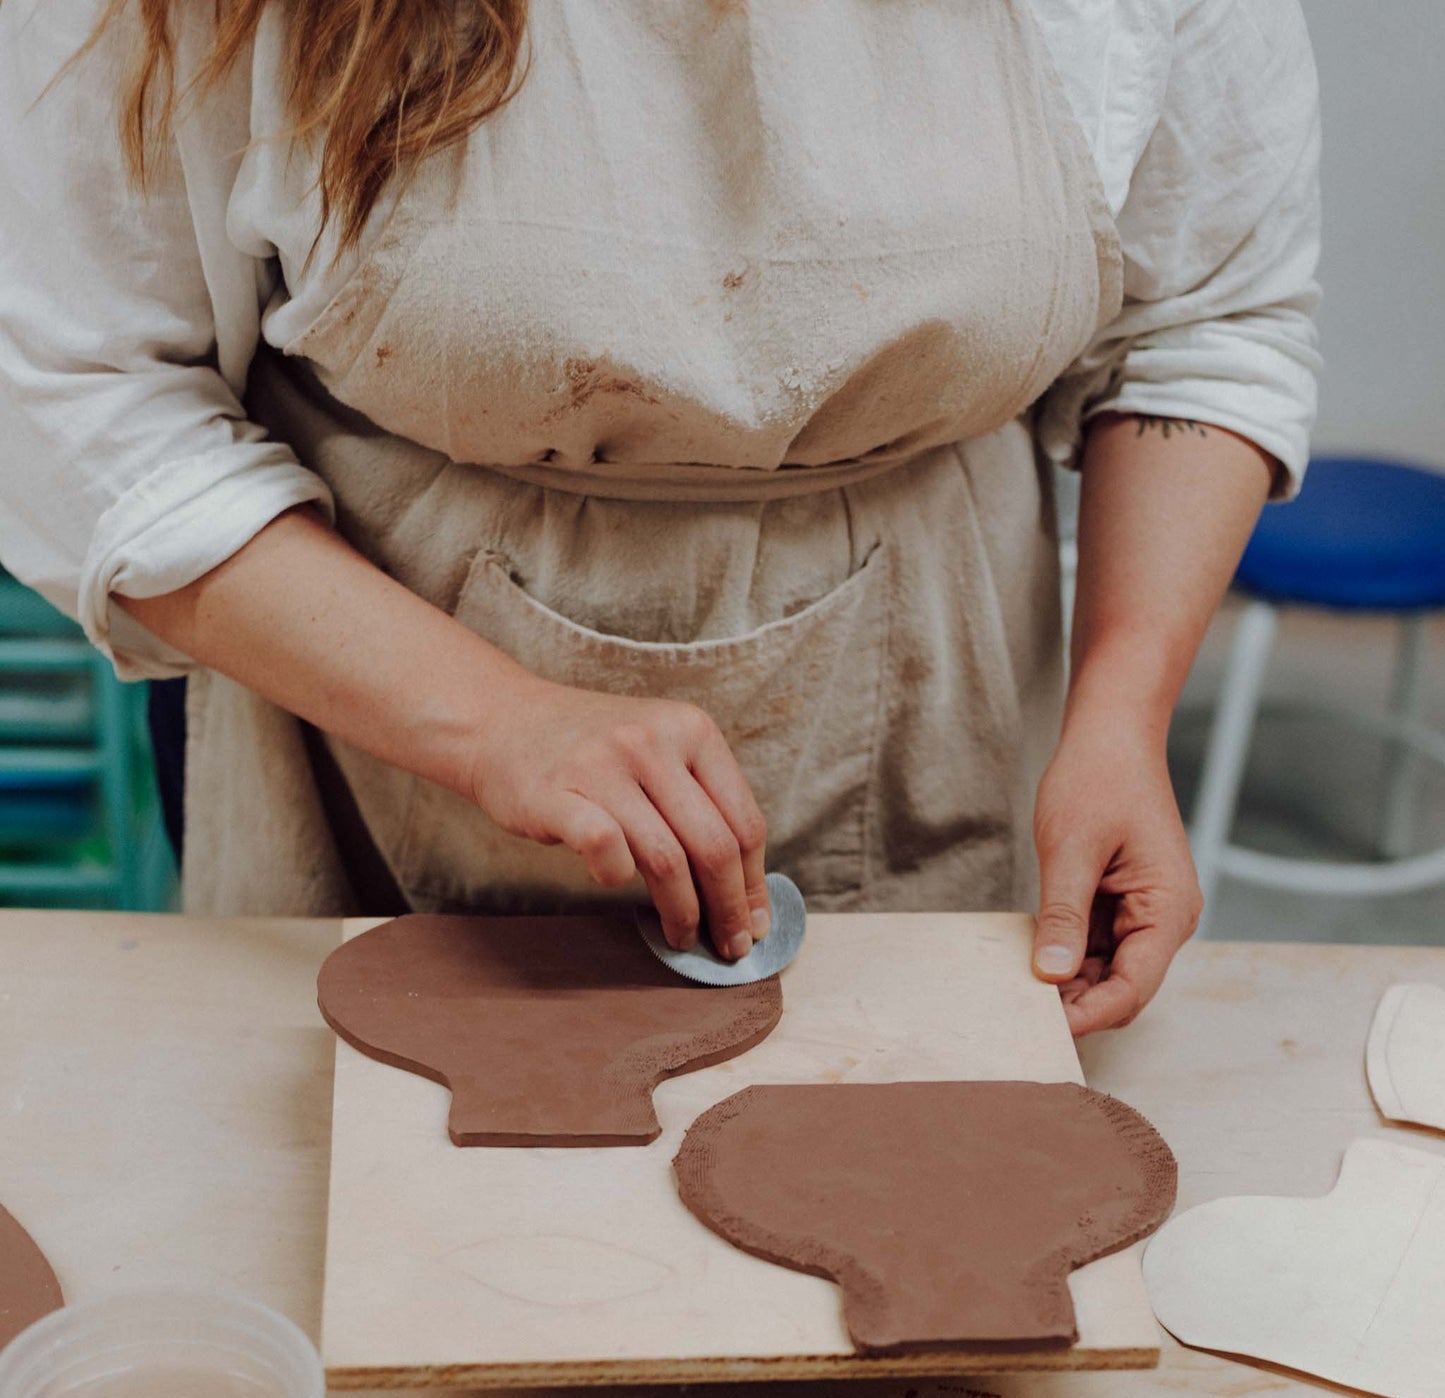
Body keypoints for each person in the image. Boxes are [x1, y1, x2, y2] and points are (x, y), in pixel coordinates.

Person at [0, 0, 1320, 1033]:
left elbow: (1203, 314)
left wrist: (1119, 718)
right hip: (372, 726)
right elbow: (76, 387)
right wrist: (490, 717)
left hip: (948, 702)